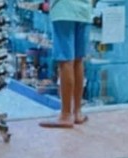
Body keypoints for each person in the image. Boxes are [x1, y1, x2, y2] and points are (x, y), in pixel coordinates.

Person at [39, 0, 92, 129]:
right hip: (84, 10)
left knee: (66, 60)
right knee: (78, 60)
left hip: (64, 10)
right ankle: (77, 112)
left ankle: (66, 114)